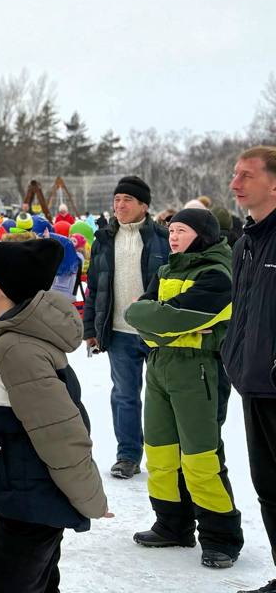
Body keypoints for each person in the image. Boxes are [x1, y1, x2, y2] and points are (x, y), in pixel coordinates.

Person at [0, 237, 110, 593]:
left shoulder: (19, 351)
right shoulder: (9, 339)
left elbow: (60, 433)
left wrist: (89, 498)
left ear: (5, 285)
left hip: (32, 501)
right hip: (23, 495)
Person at [124, 207, 243, 568]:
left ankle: (221, 537)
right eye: (171, 230)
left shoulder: (217, 273)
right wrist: (160, 320)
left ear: (202, 234)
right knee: (159, 452)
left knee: (200, 458)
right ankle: (171, 524)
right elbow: (136, 315)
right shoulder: (165, 269)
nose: (173, 236)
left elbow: (166, 315)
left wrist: (160, 318)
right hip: (159, 366)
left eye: (181, 230)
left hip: (198, 369)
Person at [83, 175, 169, 478]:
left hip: (157, 333)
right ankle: (128, 456)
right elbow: (94, 286)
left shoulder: (163, 237)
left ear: (143, 205)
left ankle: (167, 456)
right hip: (119, 331)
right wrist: (91, 329)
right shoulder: (104, 239)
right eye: (117, 200)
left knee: (164, 397)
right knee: (124, 395)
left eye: (127, 200)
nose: (119, 205)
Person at [221, 146, 276, 593]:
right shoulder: (245, 243)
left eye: (246, 175)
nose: (234, 184)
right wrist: (235, 361)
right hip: (255, 384)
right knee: (269, 488)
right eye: (234, 174)